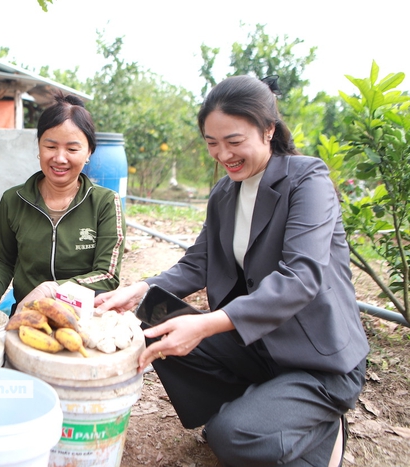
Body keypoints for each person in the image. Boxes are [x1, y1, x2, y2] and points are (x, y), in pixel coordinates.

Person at [95, 75, 368, 467]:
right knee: (154, 316)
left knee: (230, 437)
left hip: (318, 362)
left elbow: (301, 277)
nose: (223, 154)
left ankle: (322, 429)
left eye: (234, 141)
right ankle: (264, 408)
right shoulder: (225, 193)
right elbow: (198, 263)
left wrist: (206, 325)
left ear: (268, 129)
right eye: (212, 143)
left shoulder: (307, 180)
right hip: (259, 349)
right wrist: (139, 289)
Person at [0, 92, 125, 314]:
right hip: (26, 314)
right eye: (50, 146)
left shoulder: (105, 203)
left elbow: (108, 275)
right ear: (39, 147)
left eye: (72, 149)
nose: (60, 158)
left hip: (82, 318)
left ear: (89, 151)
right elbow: (5, 259)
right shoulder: (13, 201)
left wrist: (53, 290)